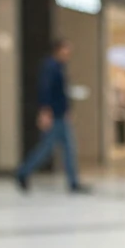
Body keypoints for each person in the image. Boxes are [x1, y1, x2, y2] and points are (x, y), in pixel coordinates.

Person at [15, 39, 89, 194]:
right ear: (58, 50)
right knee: (46, 149)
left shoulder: (59, 67)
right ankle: (23, 172)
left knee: (68, 149)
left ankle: (73, 182)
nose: (68, 54)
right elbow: (45, 91)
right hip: (54, 116)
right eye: (66, 50)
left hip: (60, 114)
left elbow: (61, 93)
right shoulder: (50, 67)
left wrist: (67, 109)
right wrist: (45, 112)